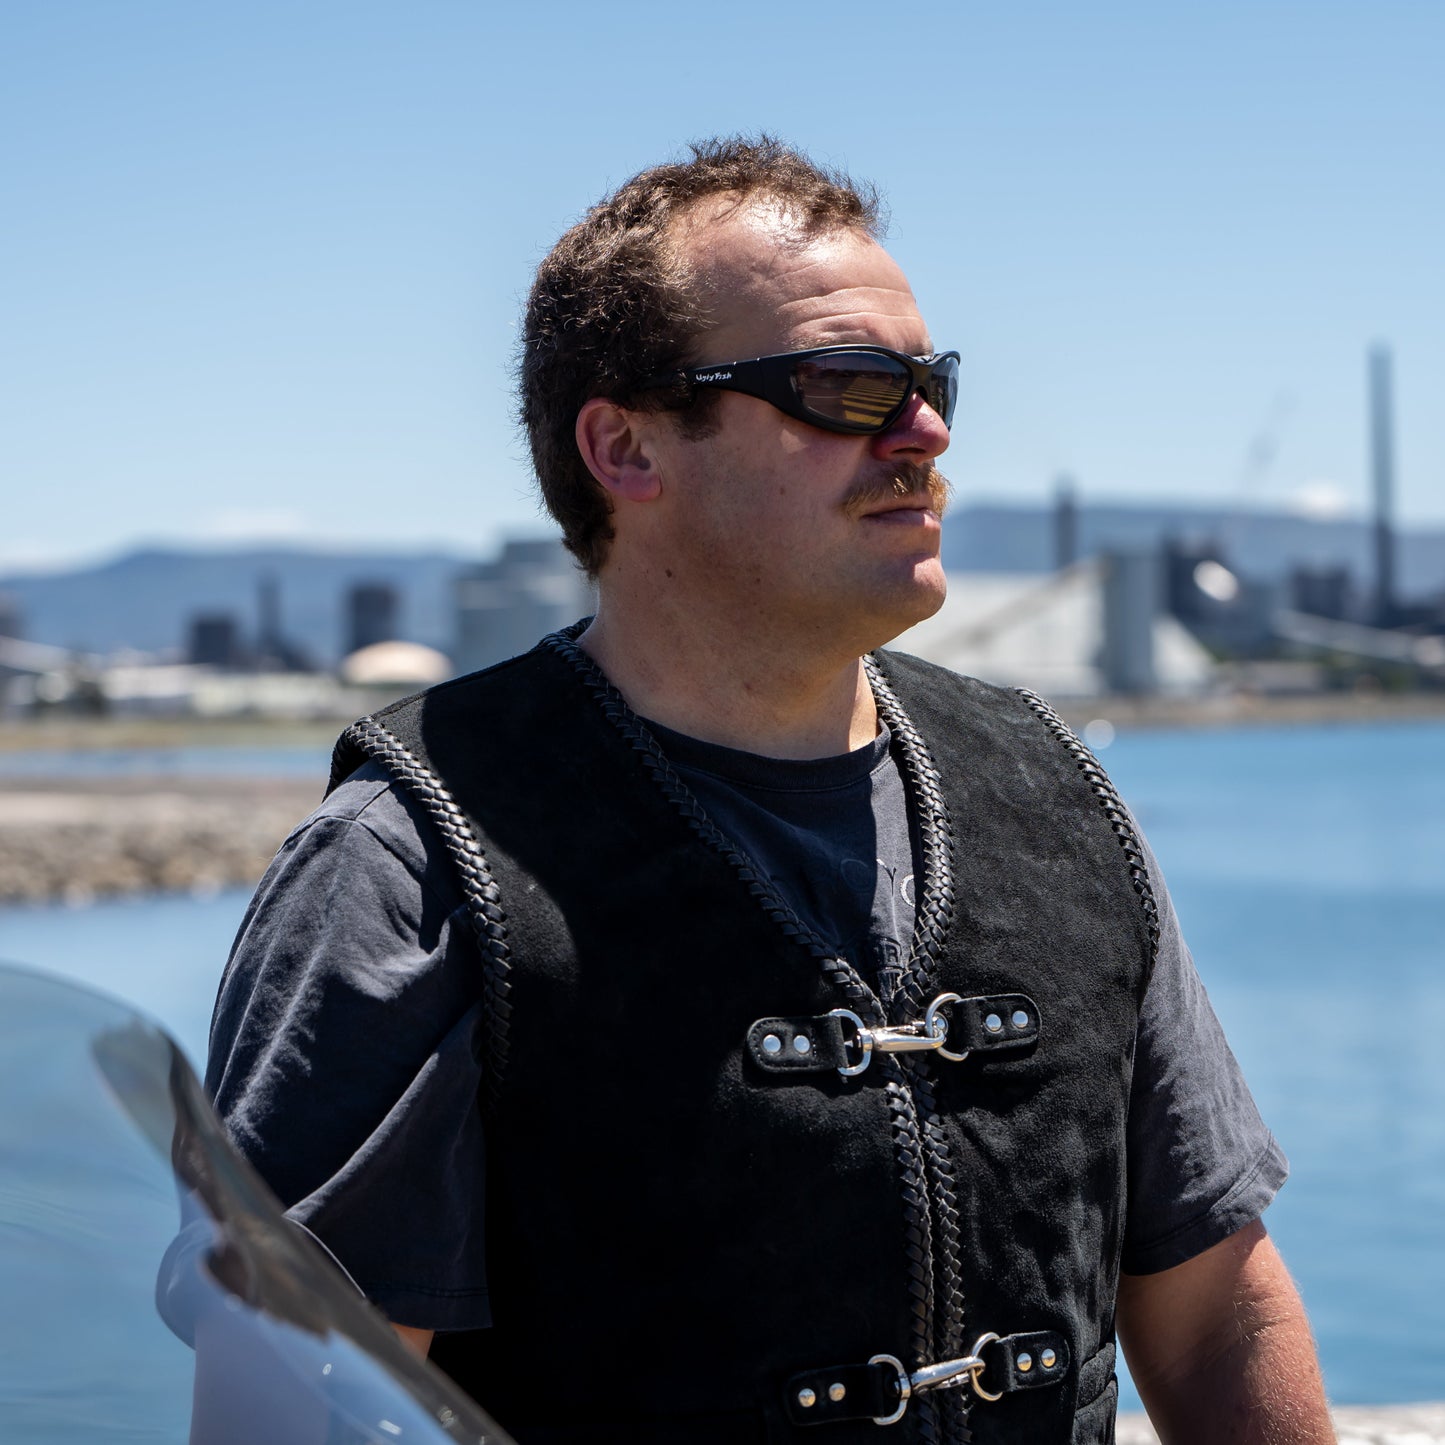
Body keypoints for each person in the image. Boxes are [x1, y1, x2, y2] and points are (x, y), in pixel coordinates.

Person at [207, 138, 1335, 1444]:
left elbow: (1217, 1315)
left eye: (929, 384)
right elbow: (301, 1409)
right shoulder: (406, 863)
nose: (923, 433)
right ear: (624, 447)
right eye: (846, 387)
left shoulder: (1057, 796)